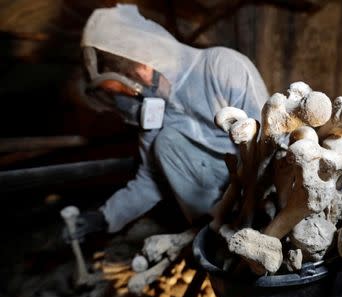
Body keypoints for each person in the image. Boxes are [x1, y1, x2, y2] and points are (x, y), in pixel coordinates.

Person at [65, 4, 269, 241]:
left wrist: (263, 201)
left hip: (257, 182)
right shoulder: (154, 109)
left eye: (120, 90)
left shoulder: (222, 67)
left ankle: (254, 225)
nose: (126, 98)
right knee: (163, 142)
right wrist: (103, 216)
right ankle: (213, 236)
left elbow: (268, 141)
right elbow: (150, 179)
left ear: (141, 67)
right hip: (218, 204)